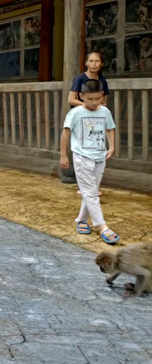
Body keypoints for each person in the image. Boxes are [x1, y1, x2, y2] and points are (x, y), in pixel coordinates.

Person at [60, 79, 119, 245]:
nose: (94, 103)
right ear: (81, 96)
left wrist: (112, 147)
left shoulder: (105, 111)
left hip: (100, 157)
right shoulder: (75, 113)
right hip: (81, 157)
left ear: (102, 96)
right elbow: (65, 133)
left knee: (90, 191)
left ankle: (81, 220)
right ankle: (102, 226)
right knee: (91, 193)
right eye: (90, 99)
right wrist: (63, 155)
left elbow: (110, 128)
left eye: (97, 99)